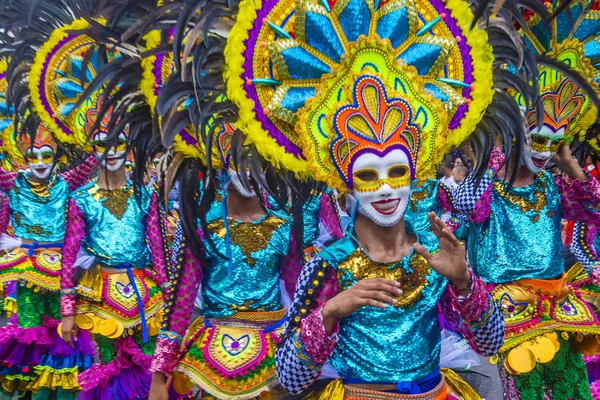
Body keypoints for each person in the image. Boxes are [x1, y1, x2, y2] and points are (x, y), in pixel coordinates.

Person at [210, 0, 542, 395]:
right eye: (368, 175)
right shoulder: (326, 265)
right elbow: (290, 377)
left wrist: (465, 282)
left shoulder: (433, 255)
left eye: (396, 172)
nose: (385, 188)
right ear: (345, 183)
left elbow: (490, 345)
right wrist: (332, 312)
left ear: (413, 176)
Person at [452, 2, 600, 398]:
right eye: (537, 137)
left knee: (575, 391)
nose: (544, 149)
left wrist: (570, 166)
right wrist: (494, 148)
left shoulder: (550, 186)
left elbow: (595, 212)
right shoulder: (490, 187)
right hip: (509, 314)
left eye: (554, 142)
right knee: (528, 392)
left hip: (558, 305)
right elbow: (465, 206)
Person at [22, 16, 168, 399]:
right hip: (99, 293)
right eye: (104, 143)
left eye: (121, 143)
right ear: (93, 147)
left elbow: (157, 246)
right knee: (106, 370)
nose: (113, 152)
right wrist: (68, 308)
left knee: (152, 371)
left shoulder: (144, 191)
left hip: (146, 296)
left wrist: (169, 294)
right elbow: (70, 252)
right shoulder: (81, 197)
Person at [0, 60, 96, 399]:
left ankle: (60, 387)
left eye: (46, 154)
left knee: (62, 332)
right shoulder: (14, 182)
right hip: (25, 268)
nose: (40, 162)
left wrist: (93, 118)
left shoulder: (66, 183)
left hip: (61, 269)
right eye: (34, 156)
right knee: (28, 329)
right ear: (24, 156)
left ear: (55, 156)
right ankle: (28, 388)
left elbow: (93, 161)